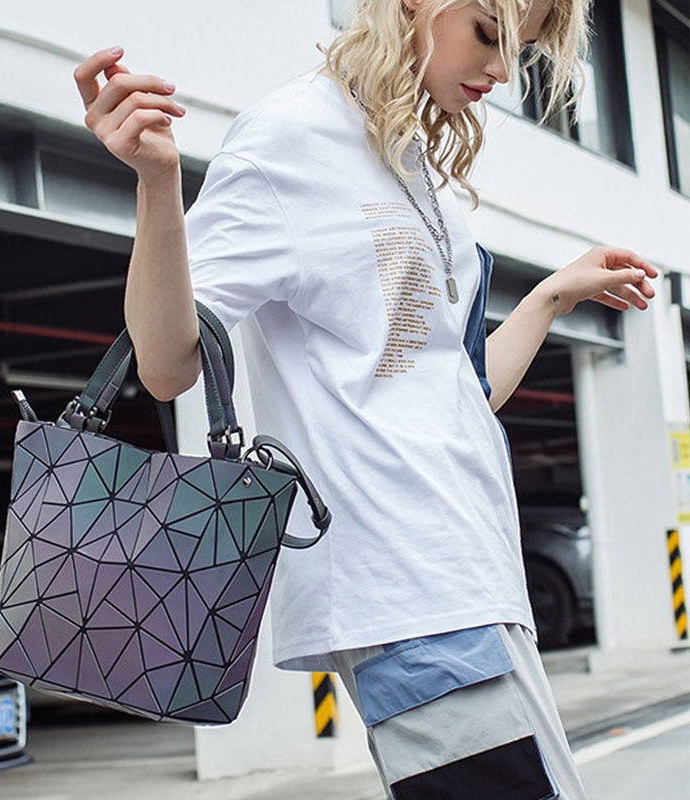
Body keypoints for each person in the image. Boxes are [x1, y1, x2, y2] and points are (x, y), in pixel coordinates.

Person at [74, 0, 657, 797]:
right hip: (400, 584)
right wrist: (157, 184)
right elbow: (168, 368)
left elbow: (457, 393)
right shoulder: (291, 136)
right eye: (488, 33)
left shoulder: (412, 159)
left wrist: (551, 297)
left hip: (473, 572)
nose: (500, 70)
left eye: (517, 50)